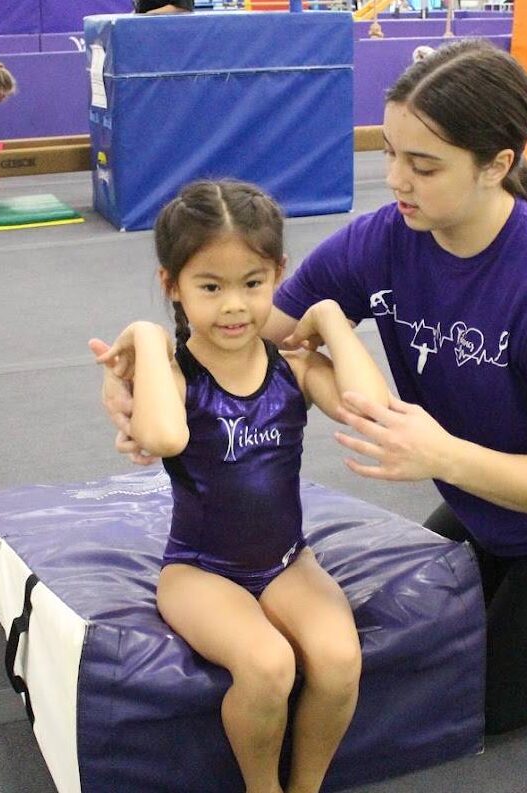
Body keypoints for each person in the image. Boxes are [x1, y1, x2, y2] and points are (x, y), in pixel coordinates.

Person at [100, 40, 527, 736]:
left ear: (497, 165)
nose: (397, 180)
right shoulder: (388, 236)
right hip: (487, 494)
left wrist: (442, 457)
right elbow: (254, 329)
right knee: (415, 651)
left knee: (490, 703)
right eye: (389, 153)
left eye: (423, 165)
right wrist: (150, 366)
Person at [89, 179, 390, 793]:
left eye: (253, 284)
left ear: (279, 273)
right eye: (210, 287)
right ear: (171, 284)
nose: (234, 306)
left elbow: (369, 406)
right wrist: (149, 338)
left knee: (338, 660)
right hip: (199, 571)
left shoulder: (294, 367)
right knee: (267, 663)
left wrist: (330, 318)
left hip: (286, 559)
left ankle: (305, 787)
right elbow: (164, 438)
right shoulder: (177, 371)